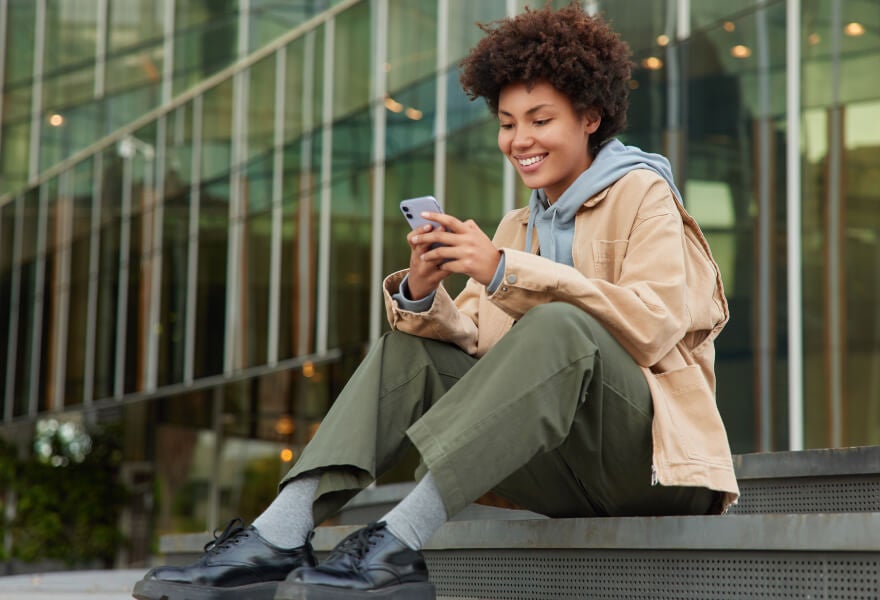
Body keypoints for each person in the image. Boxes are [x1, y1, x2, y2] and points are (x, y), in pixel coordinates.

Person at [133, 3, 739, 600]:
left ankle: (401, 538)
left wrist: (505, 270)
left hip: (660, 466)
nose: (519, 140)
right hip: (563, 465)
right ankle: (280, 533)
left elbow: (654, 326)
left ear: (590, 117)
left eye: (539, 119)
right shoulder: (516, 225)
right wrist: (425, 290)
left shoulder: (646, 195)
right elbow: (479, 340)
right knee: (411, 347)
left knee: (560, 325)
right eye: (507, 123)